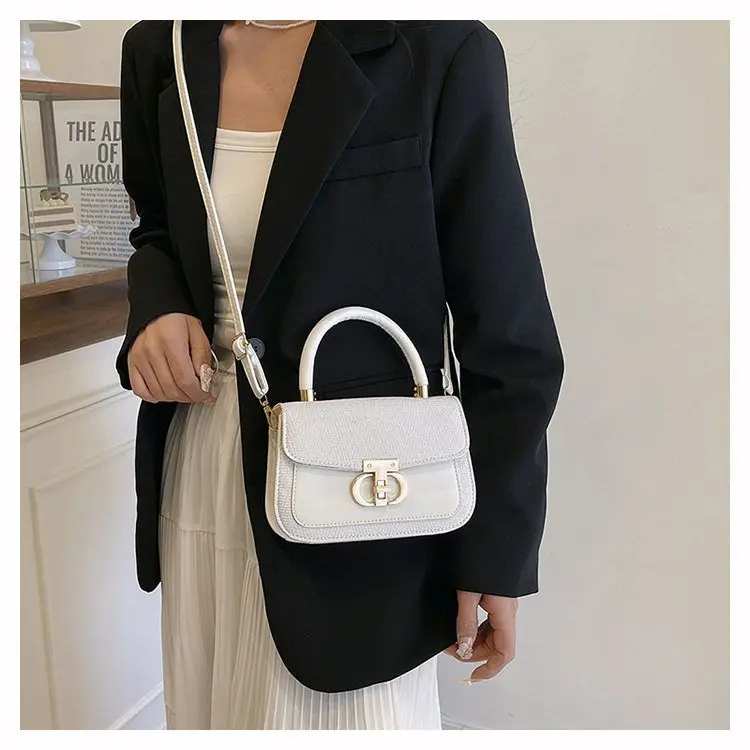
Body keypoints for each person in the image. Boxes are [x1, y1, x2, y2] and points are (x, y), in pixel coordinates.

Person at [116, 19, 564, 730]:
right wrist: (158, 305)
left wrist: (495, 552)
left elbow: (507, 330)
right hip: (202, 462)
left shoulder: (438, 50)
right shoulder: (161, 46)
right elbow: (156, 230)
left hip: (362, 494)